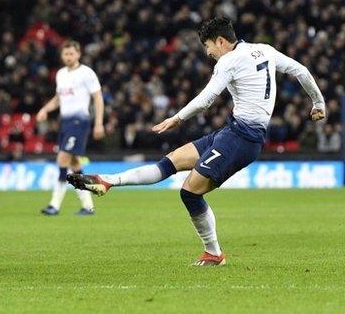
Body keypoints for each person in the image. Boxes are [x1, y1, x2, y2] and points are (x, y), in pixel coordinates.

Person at [67, 17, 326, 265]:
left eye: (208, 46)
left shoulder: (229, 61)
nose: (208, 52)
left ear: (221, 41)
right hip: (232, 131)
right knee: (170, 161)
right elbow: (300, 70)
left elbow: (206, 99)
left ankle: (213, 253)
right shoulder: (265, 50)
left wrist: (176, 119)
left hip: (243, 138)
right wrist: (318, 102)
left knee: (189, 192)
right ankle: (110, 180)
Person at [37, 40, 104, 216]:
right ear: (62, 56)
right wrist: (45, 109)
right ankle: (88, 206)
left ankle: (54, 205)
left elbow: (97, 98)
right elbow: (58, 98)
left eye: (71, 53)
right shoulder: (61, 74)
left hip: (79, 122)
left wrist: (98, 123)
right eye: (65, 54)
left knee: (62, 159)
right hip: (65, 123)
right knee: (74, 164)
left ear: (78, 54)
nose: (68, 57)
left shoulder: (86, 73)